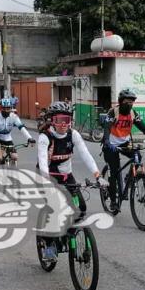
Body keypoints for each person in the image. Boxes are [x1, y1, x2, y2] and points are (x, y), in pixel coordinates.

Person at [36, 100, 106, 259]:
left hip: (67, 176)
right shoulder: (44, 137)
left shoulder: (73, 134)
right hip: (47, 176)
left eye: (67, 120)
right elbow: (42, 162)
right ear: (51, 120)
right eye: (59, 120)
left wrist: (97, 175)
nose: (63, 124)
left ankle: (72, 231)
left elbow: (86, 155)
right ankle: (48, 245)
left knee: (81, 207)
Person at [101, 89, 145, 212]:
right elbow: (107, 128)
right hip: (111, 144)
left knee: (137, 157)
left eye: (131, 102)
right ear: (121, 102)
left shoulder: (133, 114)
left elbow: (144, 128)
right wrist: (107, 141)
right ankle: (113, 201)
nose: (129, 104)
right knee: (114, 172)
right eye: (126, 102)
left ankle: (129, 179)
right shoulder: (113, 112)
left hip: (125, 142)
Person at [0, 98, 35, 167]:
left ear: (10, 108)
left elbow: (21, 128)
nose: (6, 110)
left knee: (14, 157)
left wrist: (30, 138)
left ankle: (12, 172)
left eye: (8, 108)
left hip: (8, 139)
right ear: (0, 108)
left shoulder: (14, 116)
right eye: (4, 108)